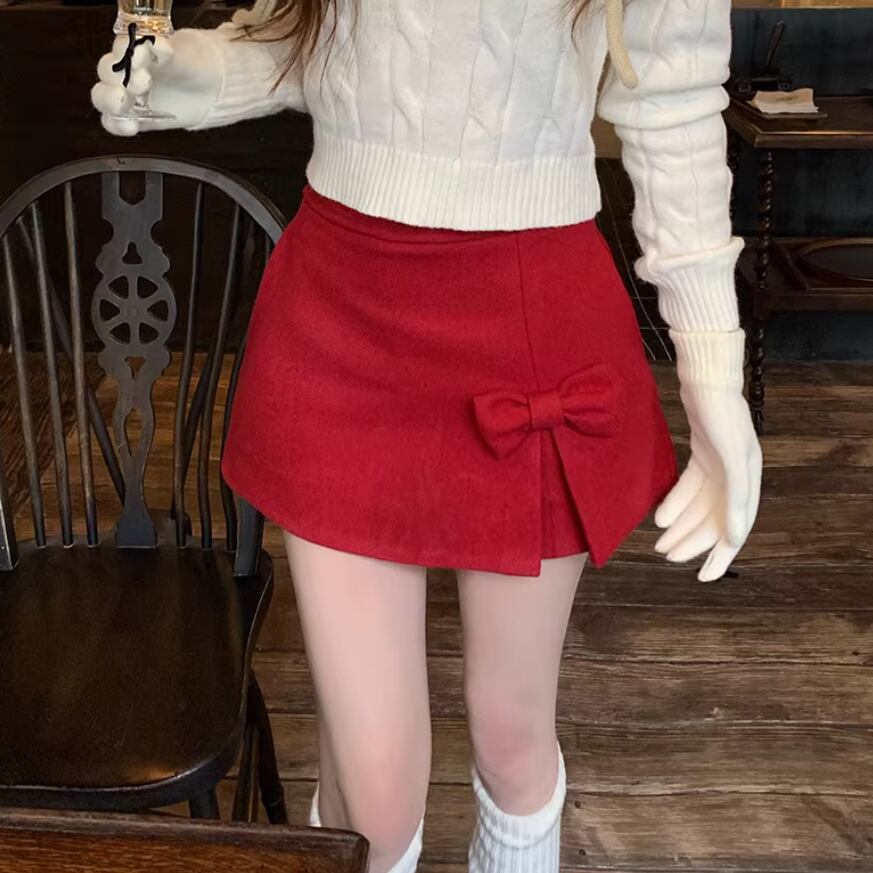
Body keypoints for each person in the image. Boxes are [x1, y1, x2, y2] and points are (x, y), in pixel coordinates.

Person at [92, 1, 763, 871]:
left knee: (512, 735)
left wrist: (711, 370)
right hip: (345, 313)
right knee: (375, 791)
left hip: (532, 314)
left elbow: (671, 100)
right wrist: (185, 74)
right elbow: (311, 42)